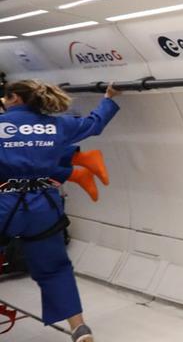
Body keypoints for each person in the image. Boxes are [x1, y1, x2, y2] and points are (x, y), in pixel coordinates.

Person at [0, 80, 121, 342]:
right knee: (55, 267)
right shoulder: (56, 125)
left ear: (15, 99)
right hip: (44, 206)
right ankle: (79, 328)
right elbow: (94, 124)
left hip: (3, 203)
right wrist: (109, 97)